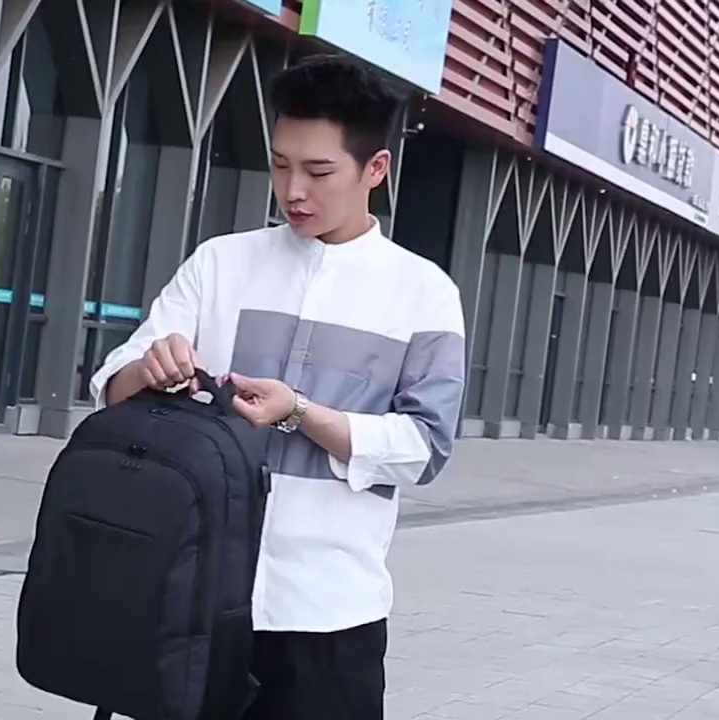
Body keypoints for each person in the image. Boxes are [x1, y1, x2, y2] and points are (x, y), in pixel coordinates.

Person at [89, 54, 466, 720]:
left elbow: (425, 449)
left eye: (318, 172)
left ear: (376, 168)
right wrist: (149, 367)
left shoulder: (424, 295)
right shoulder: (220, 263)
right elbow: (112, 387)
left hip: (330, 614)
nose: (293, 190)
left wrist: (300, 412)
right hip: (192, 598)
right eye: (280, 164)